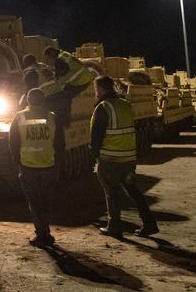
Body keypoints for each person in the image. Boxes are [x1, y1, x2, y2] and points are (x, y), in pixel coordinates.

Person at [91, 74, 159, 238]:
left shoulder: (103, 108)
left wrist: (95, 156)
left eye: (95, 89)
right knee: (133, 190)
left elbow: (96, 137)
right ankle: (149, 223)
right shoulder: (125, 105)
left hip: (110, 159)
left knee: (111, 193)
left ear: (99, 89)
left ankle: (114, 226)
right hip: (128, 159)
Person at [10, 88, 64, 247]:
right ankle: (46, 231)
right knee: (46, 200)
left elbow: (13, 142)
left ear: (28, 100)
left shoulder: (20, 117)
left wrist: (16, 162)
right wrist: (59, 162)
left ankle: (40, 233)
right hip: (48, 165)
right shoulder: (52, 117)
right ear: (44, 100)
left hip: (28, 166)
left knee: (34, 202)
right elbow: (60, 143)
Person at [44, 47, 94, 128]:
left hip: (81, 80)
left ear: (51, 54)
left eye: (48, 59)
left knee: (64, 97)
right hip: (84, 77)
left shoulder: (59, 60)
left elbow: (61, 76)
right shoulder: (64, 54)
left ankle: (65, 122)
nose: (49, 61)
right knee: (64, 94)